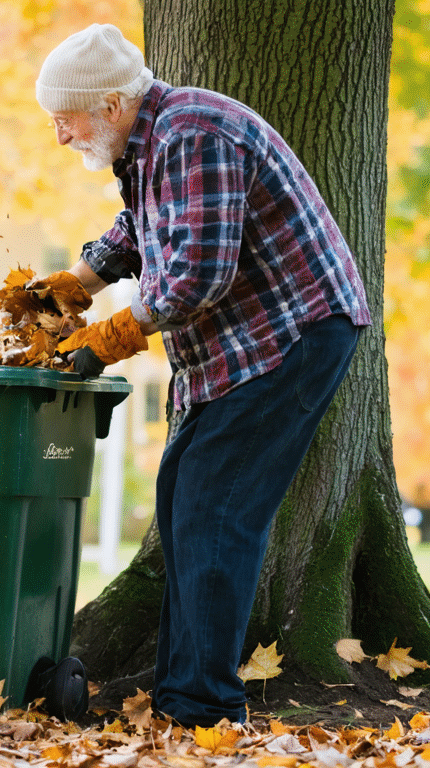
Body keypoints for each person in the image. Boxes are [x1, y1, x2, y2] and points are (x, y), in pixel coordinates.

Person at [32, 24, 371, 725]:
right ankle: (183, 692)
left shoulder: (194, 133)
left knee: (217, 510)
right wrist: (74, 283)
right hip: (249, 339)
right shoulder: (150, 143)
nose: (60, 138)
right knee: (187, 497)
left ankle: (205, 709)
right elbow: (140, 230)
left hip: (295, 331)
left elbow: (195, 276)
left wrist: (109, 337)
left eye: (64, 121)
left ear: (110, 103)